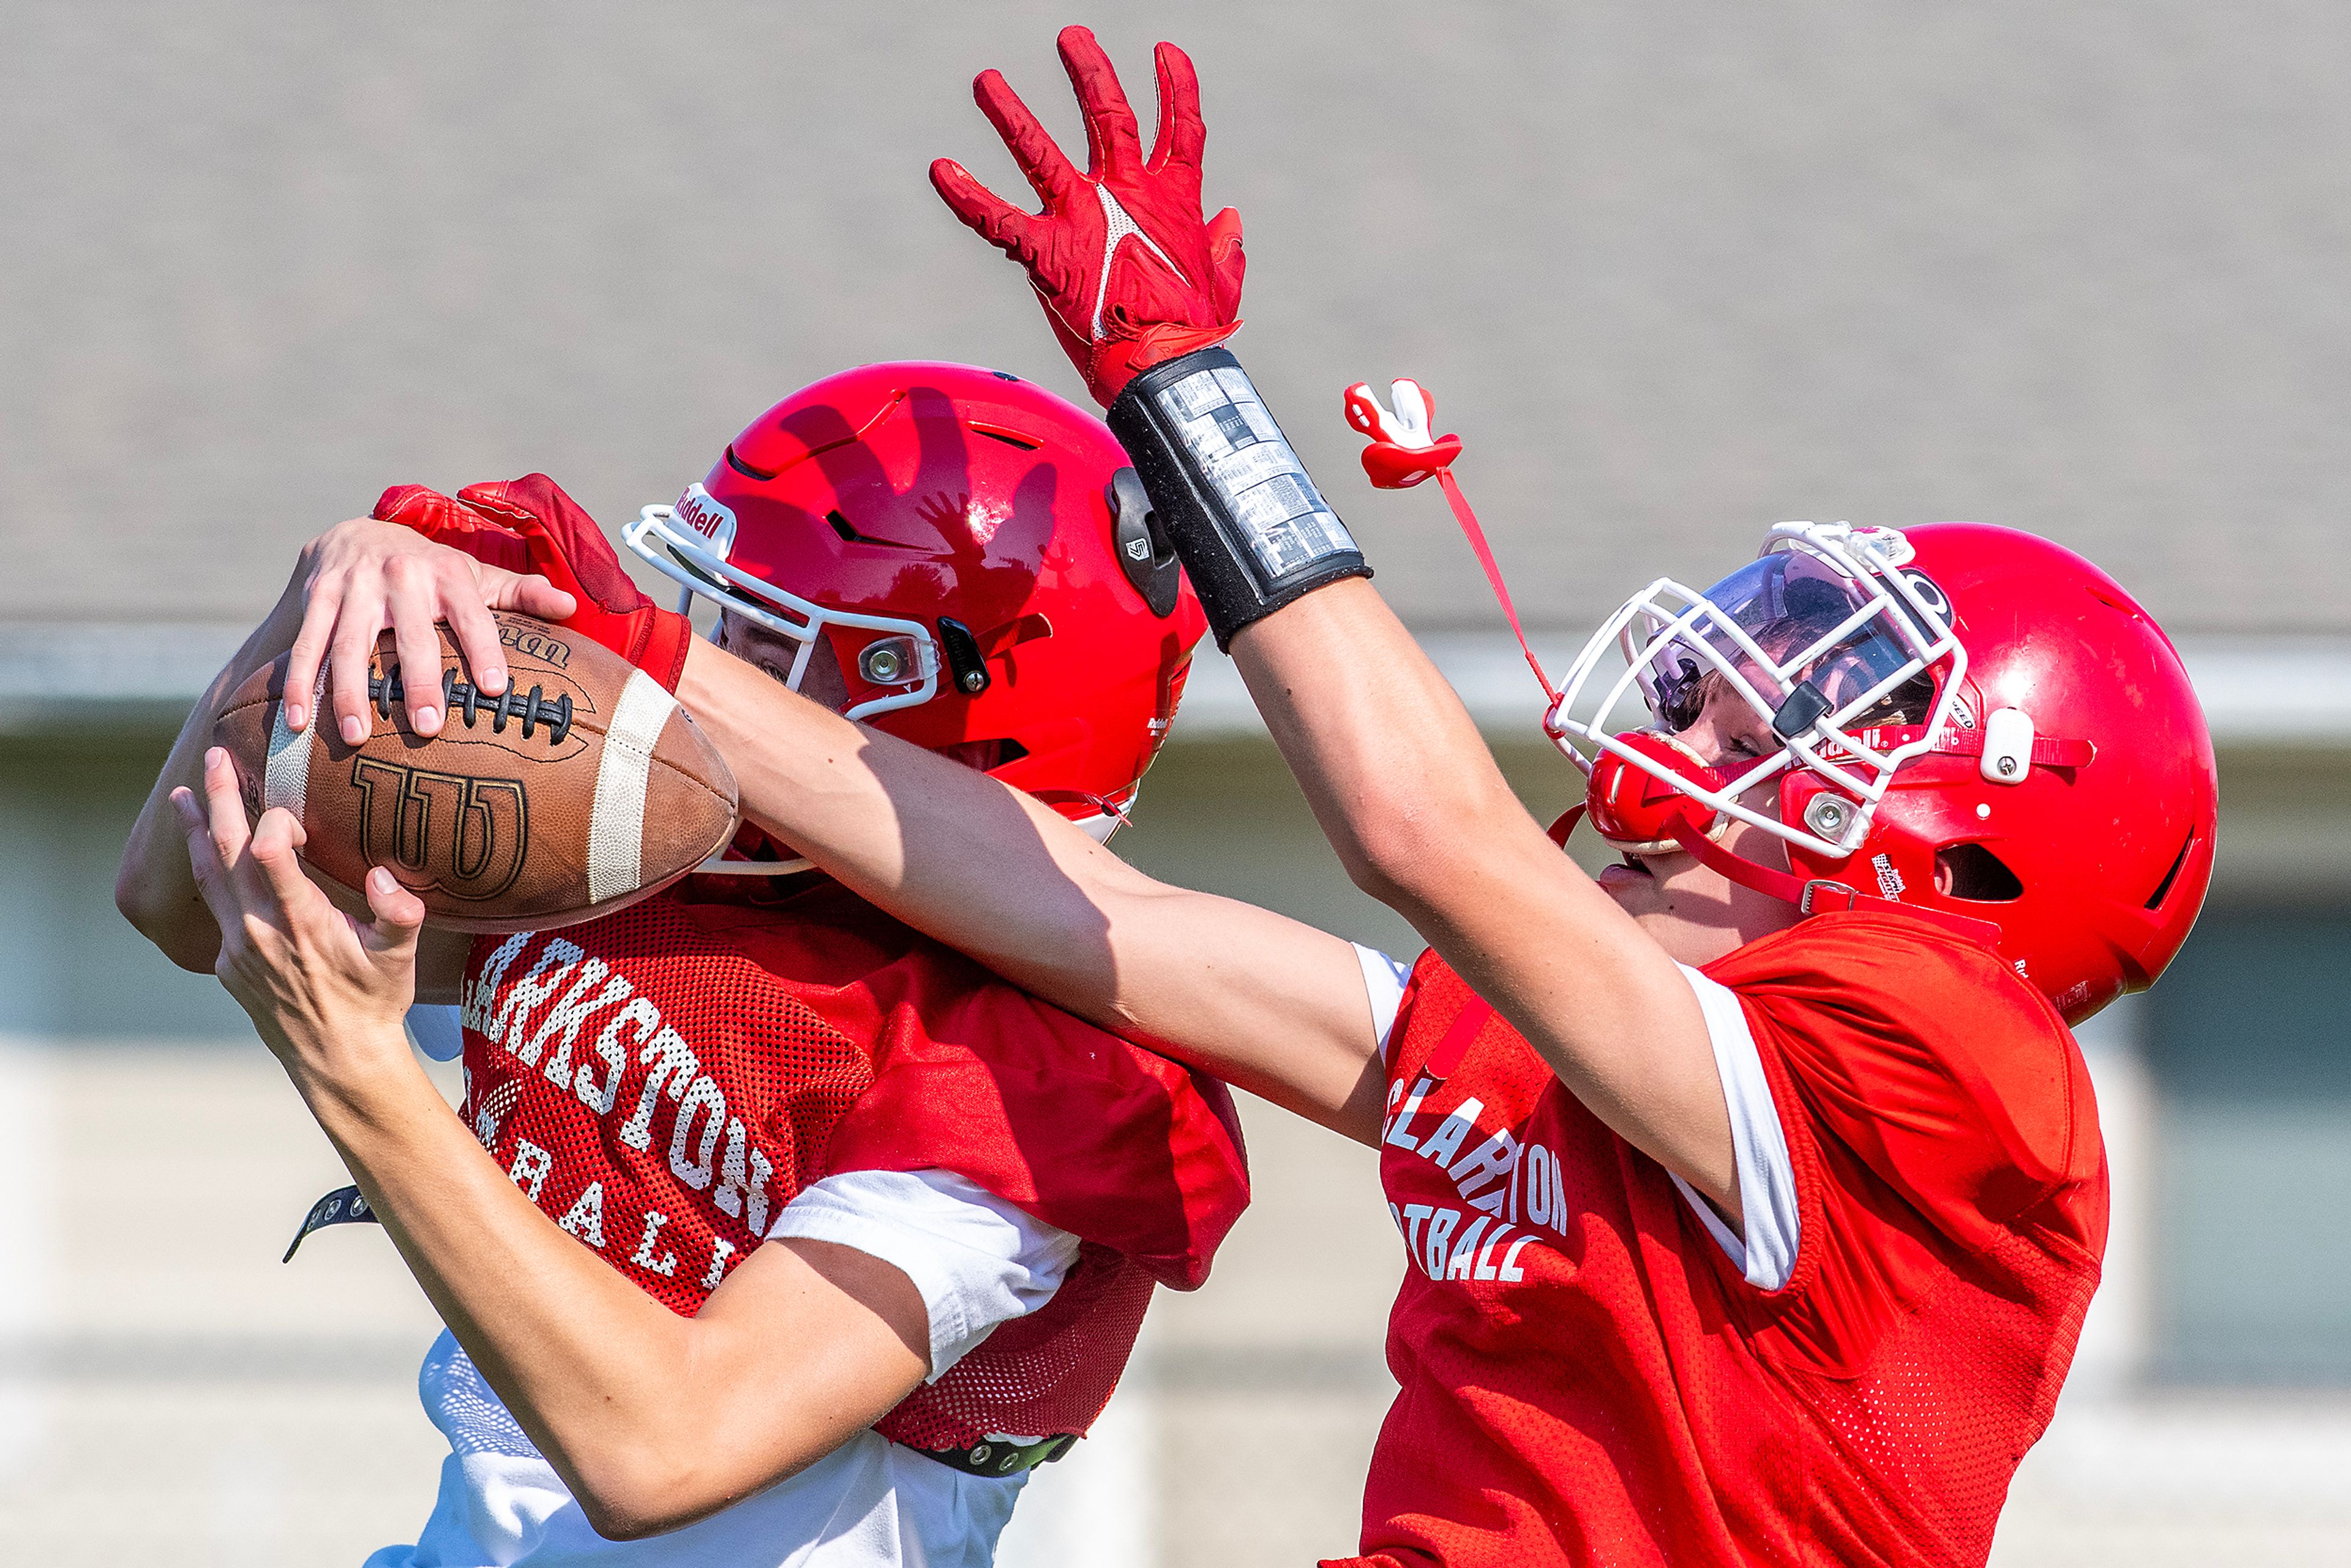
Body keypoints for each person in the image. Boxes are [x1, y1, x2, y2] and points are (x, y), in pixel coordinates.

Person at [206, 26, 2221, 1567]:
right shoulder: (1576, 1067)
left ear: (1966, 847)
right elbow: (1112, 918)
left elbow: (1419, 831)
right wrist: (654, 659)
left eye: (1844, 686)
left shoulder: (1944, 1074)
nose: (1739, 690)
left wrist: (1181, 389)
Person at [114, 362, 1252, 1567]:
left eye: (769, 642)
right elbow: (173, 902)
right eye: (724, 616)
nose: (704, 665)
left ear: (935, 709)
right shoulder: (656, 867)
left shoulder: (1030, 1063)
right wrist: (329, 588)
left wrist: (355, 1065)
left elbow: (663, 1452)